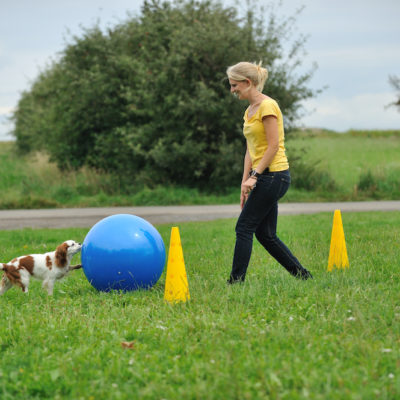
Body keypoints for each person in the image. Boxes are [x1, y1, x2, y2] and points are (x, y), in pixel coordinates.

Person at [226, 61, 312, 283]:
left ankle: (235, 282)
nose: (232, 90)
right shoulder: (249, 111)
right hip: (262, 176)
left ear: (248, 82)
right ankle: (303, 276)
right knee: (265, 234)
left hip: (274, 175)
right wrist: (245, 181)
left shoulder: (268, 106)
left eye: (235, 85)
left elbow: (273, 146)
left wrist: (255, 176)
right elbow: (250, 149)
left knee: (244, 227)